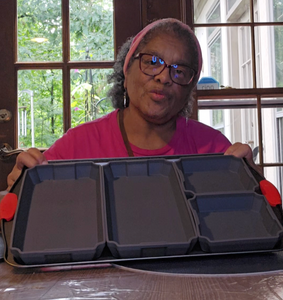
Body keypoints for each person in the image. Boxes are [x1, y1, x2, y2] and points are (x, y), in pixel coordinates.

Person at [6, 18, 258, 191]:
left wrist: (252, 185)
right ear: (126, 71)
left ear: (188, 89)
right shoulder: (75, 147)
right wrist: (21, 188)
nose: (163, 77)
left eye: (180, 71)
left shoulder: (214, 151)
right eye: (152, 61)